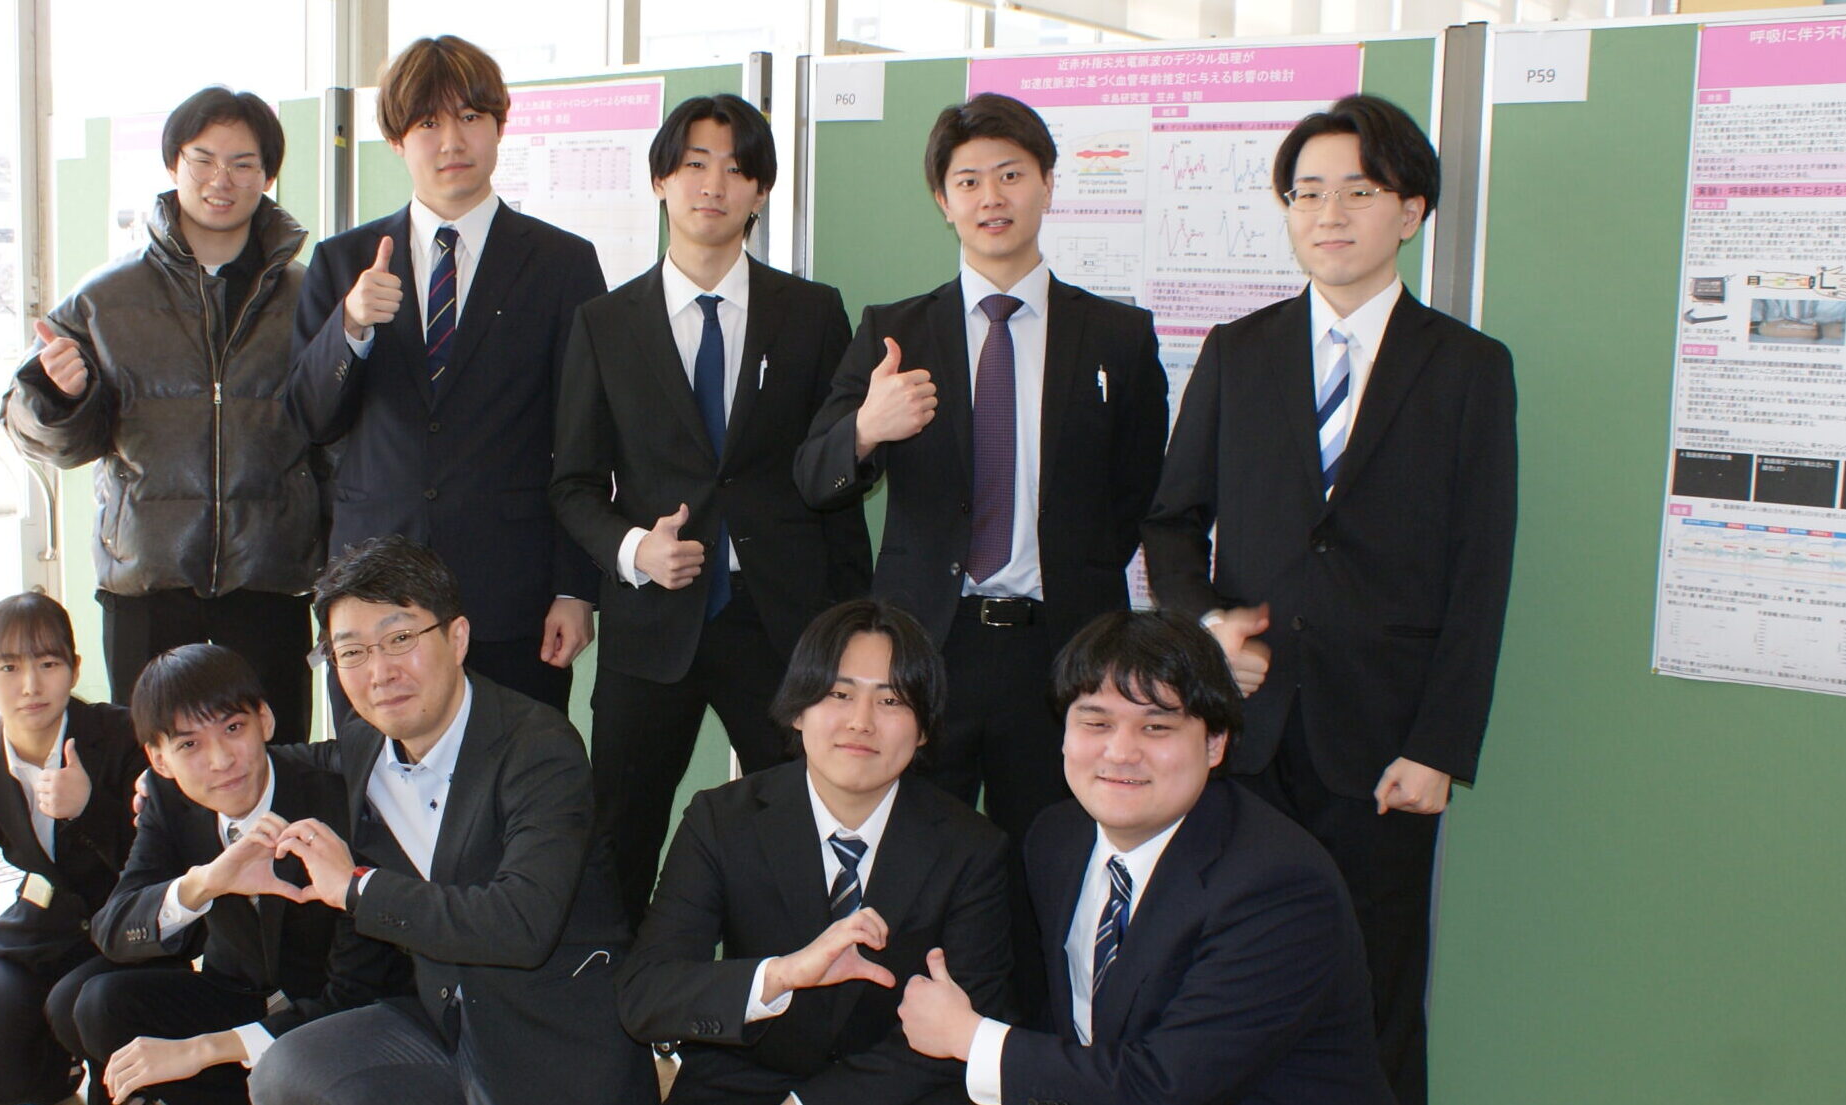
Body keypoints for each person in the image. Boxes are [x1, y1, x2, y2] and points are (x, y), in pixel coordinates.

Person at [1140, 93, 1519, 1105]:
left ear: (1411, 210)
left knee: (1374, 988)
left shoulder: (1468, 368)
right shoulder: (1238, 349)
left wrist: (1439, 746)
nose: (1328, 214)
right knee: (1227, 978)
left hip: (1384, 744)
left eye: (1357, 190)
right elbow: (1171, 522)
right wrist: (1207, 627)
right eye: (1306, 193)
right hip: (1244, 733)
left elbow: (1480, 572)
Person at [794, 92, 1169, 848]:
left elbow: (1140, 492)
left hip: (1061, 644)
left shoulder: (1116, 335)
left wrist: (1080, 568)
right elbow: (812, 477)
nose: (990, 197)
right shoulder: (894, 331)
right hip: (926, 644)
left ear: (1047, 184)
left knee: (1051, 850)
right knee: (914, 850)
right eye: (968, 181)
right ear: (943, 201)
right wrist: (866, 429)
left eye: (1011, 175)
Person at [551, 92, 870, 929]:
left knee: (801, 828)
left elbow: (836, 481)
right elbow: (572, 483)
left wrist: (851, 624)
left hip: (780, 621)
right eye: (693, 164)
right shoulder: (603, 322)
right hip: (650, 623)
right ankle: (613, 994)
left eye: (735, 169)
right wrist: (632, 550)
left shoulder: (812, 313)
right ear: (660, 179)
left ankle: (785, 987)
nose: (713, 185)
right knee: (621, 832)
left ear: (760, 191)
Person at [895, 609, 1394, 1105]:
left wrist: (971, 1039)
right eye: (1096, 722)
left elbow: (1165, 1086)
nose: (1120, 752)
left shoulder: (1279, 886)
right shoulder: (1056, 838)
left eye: (1156, 727)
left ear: (1215, 743)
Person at [245, 536, 654, 1105]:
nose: (379, 672)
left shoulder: (539, 748)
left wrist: (356, 889)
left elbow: (522, 924)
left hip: (554, 1039)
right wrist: (165, 779)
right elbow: (276, 766)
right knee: (285, 1071)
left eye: (400, 639)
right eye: (352, 652)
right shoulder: (367, 744)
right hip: (446, 1024)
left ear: (457, 638)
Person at [289, 35, 604, 713]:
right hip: (372, 595)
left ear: (499, 126)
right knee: (375, 774)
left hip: (512, 594)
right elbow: (309, 418)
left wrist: (575, 588)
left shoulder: (562, 263)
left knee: (517, 769)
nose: (452, 141)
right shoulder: (342, 261)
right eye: (428, 122)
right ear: (396, 140)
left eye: (470, 117)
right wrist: (351, 326)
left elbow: (584, 437)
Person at [3, 86, 322, 743]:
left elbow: (337, 432)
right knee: (153, 768)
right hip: (146, 583)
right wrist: (61, 397)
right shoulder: (105, 298)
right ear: (173, 164)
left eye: (242, 163)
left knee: (275, 759)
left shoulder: (309, 296)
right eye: (202, 159)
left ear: (267, 176)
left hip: (270, 578)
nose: (220, 180)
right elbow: (43, 433)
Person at [614, 598, 1012, 1105]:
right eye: (838, 694)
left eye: (891, 701)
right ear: (798, 709)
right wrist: (779, 975)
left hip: (895, 1094)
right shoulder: (721, 820)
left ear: (925, 728)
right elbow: (647, 994)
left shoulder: (972, 848)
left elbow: (970, 1024)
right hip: (740, 1084)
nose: (861, 722)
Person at [74, 644, 396, 1105]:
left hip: (332, 1013)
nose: (221, 760)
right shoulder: (168, 799)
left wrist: (203, 1050)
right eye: (189, 744)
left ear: (265, 720)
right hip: (237, 991)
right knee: (98, 1004)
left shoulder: (335, 799)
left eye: (233, 728)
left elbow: (357, 993)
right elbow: (115, 928)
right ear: (159, 760)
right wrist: (207, 882)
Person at [0, 593, 148, 1105]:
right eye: (9, 667)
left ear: (74, 669)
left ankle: (82, 1056)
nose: (30, 686)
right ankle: (56, 1065)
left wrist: (88, 808)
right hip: (39, 938)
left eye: (48, 664)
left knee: (113, 1074)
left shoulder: (123, 734)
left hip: (126, 937)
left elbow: (158, 862)